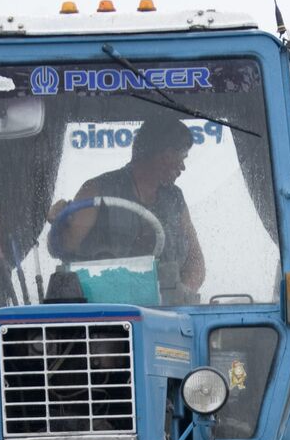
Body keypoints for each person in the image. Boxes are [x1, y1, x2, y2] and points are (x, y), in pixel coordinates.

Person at [51, 116, 206, 305]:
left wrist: (183, 293)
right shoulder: (96, 190)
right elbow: (64, 247)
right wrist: (58, 224)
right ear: (163, 155)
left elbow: (195, 259)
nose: (183, 166)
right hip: (102, 312)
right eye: (181, 157)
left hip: (167, 314)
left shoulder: (175, 198)